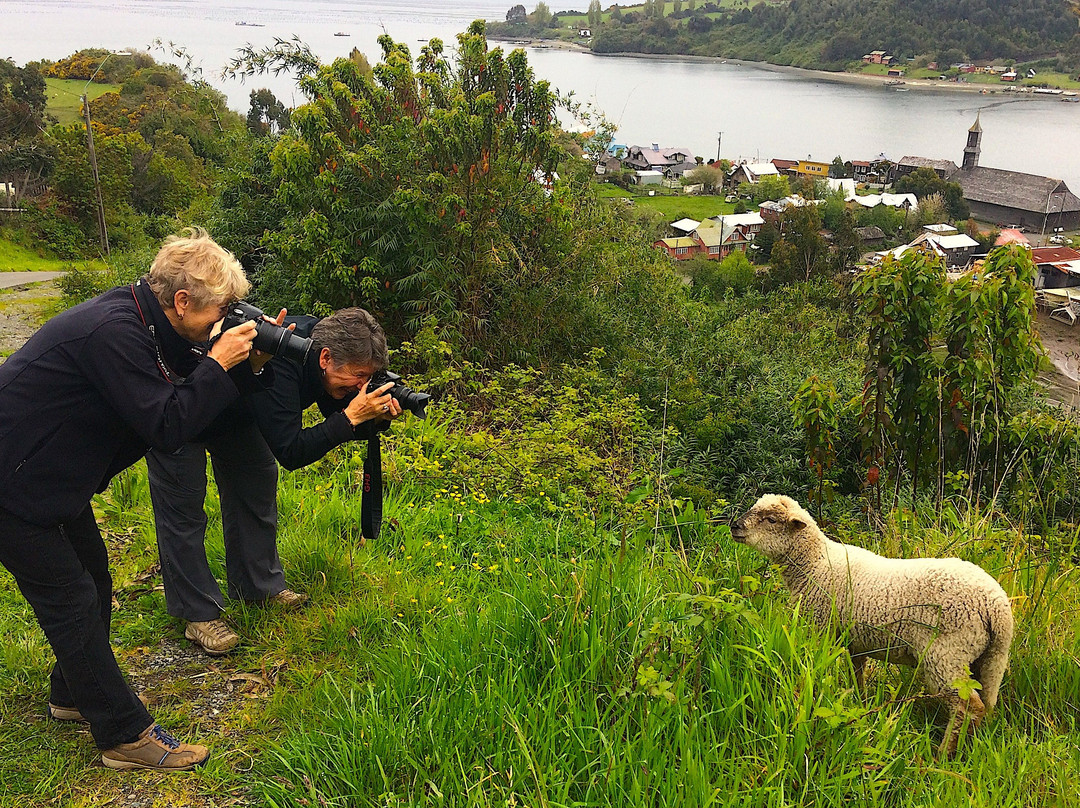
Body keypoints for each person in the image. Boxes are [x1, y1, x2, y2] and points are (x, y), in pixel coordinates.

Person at [0, 228, 264, 771]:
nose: (221, 322)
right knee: (71, 598)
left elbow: (184, 390)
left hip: (49, 479)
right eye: (218, 310)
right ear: (183, 301)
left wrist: (247, 364)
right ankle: (123, 735)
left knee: (94, 578)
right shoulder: (113, 332)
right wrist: (218, 364)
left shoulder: (146, 322)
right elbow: (168, 423)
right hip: (13, 483)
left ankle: (72, 694)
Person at [146, 307, 402, 655]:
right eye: (358, 376)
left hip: (237, 410)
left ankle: (258, 588)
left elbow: (338, 415)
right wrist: (351, 417)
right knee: (184, 510)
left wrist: (376, 415)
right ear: (326, 358)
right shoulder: (286, 359)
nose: (361, 386)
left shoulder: (330, 351)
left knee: (255, 485)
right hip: (180, 405)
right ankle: (199, 614)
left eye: (367, 379)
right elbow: (292, 450)